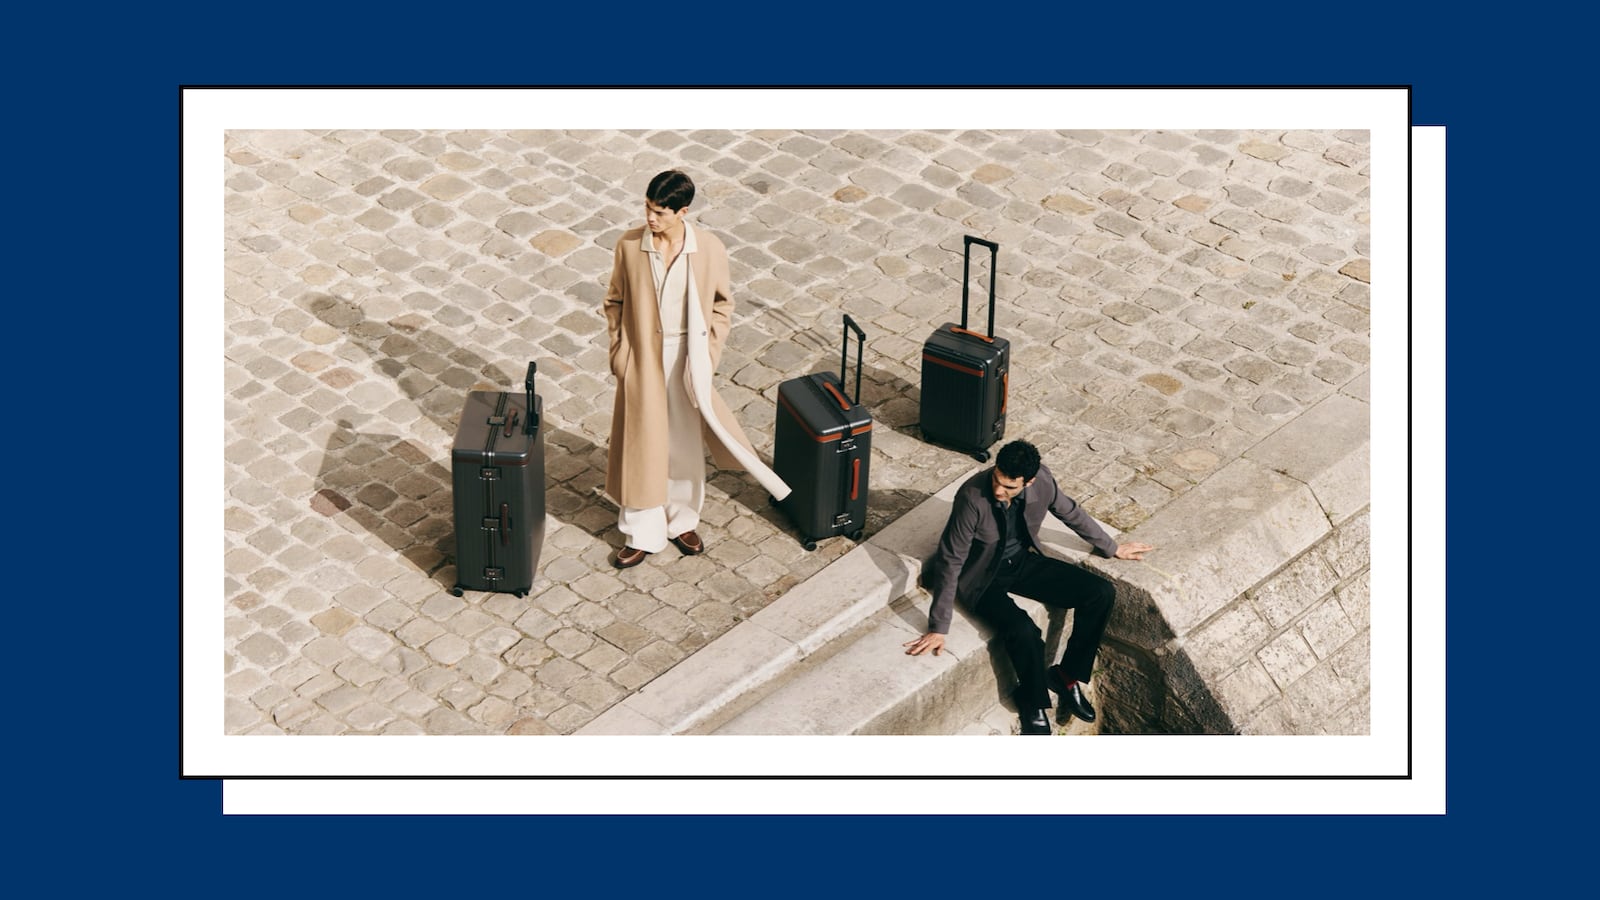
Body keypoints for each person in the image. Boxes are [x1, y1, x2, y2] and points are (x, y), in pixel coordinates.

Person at [602, 169, 790, 569]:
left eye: (659, 212)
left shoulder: (709, 249)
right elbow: (614, 301)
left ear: (682, 212)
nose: (650, 218)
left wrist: (710, 352)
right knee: (642, 445)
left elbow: (723, 304)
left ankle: (682, 520)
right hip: (642, 357)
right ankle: (640, 532)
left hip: (689, 356)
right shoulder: (630, 246)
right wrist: (620, 353)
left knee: (685, 445)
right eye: (647, 208)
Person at [905, 439, 1154, 734]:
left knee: (1100, 592)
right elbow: (950, 558)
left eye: (1009, 487)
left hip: (1020, 562)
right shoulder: (972, 497)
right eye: (997, 480)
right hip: (980, 577)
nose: (999, 491)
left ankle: (1067, 676)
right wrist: (938, 625)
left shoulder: (1043, 482)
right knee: (1023, 630)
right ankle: (1032, 702)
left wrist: (1112, 547)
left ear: (1029, 481)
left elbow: (1070, 512)